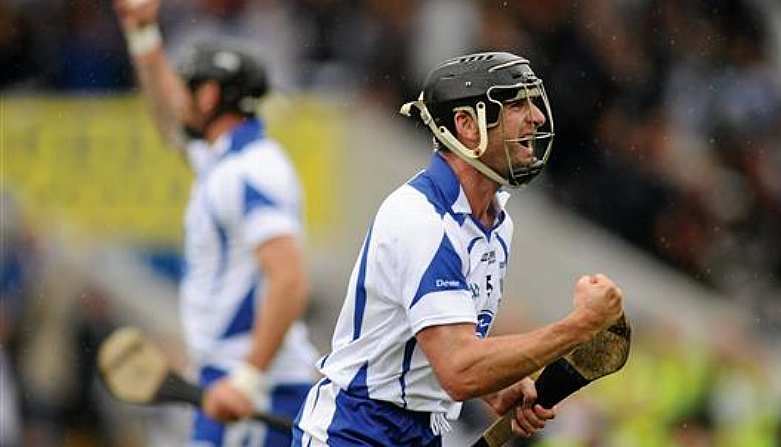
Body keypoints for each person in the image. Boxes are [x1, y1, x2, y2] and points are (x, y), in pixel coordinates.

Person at [292, 51, 625, 446]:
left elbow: (446, 346)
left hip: (421, 431)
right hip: (356, 432)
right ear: (468, 125)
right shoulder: (421, 220)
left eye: (533, 103)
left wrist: (494, 385)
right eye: (517, 104)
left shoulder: (497, 222)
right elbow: (459, 370)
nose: (536, 117)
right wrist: (579, 327)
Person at [113, 1, 318, 445]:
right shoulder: (224, 160)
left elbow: (289, 280)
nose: (180, 95)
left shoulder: (251, 169)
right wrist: (144, 36)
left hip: (258, 388)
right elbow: (169, 121)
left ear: (208, 96)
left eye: (188, 86)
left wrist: (248, 377)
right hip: (239, 381)